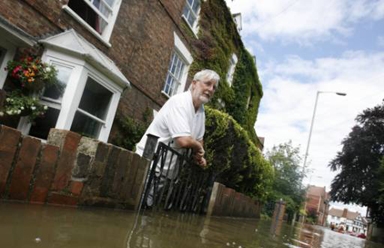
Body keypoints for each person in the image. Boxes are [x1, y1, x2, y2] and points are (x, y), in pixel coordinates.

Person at [135, 69, 220, 206]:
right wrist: (198, 148)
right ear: (194, 83)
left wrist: (200, 156)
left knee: (146, 210)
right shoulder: (179, 102)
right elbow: (184, 141)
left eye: (214, 87)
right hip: (149, 165)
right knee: (137, 207)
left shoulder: (201, 111)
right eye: (207, 84)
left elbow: (199, 140)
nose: (210, 89)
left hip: (167, 173)